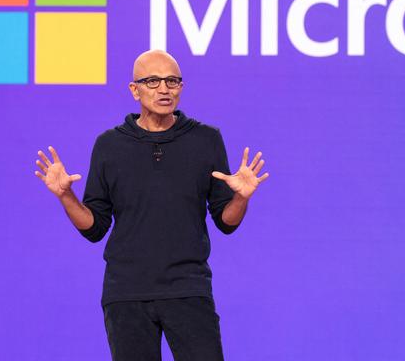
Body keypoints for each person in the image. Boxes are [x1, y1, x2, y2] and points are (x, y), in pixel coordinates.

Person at [34, 49, 269, 361]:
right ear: (135, 90)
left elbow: (226, 222)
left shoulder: (207, 140)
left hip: (189, 288)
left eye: (172, 81)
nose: (164, 89)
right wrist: (65, 196)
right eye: (153, 81)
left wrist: (241, 197)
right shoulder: (109, 145)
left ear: (181, 88)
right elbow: (95, 228)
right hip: (126, 293)